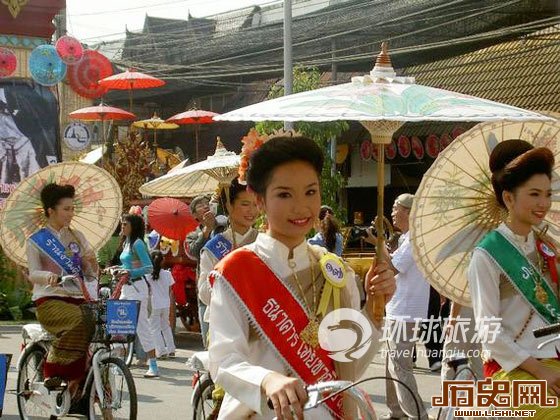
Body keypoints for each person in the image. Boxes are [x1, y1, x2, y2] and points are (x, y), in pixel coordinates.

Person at [208, 135, 396, 419]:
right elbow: (223, 359)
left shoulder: (334, 270)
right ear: (259, 200)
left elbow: (348, 367)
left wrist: (374, 310)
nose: (301, 206)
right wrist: (267, 380)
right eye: (284, 194)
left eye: (310, 192)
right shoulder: (237, 271)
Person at [468, 139, 560, 417]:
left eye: (547, 194)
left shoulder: (549, 247)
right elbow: (488, 331)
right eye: (534, 194)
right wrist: (540, 371)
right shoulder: (487, 255)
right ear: (508, 197)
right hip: (513, 369)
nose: (543, 203)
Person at [26, 183, 97, 394]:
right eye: (66, 209)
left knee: (97, 322)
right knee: (80, 319)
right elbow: (33, 273)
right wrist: (49, 277)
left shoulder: (77, 237)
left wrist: (92, 263)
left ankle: (90, 386)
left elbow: (91, 274)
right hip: (49, 299)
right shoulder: (36, 240)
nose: (71, 213)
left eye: (73, 209)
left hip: (77, 296)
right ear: (51, 210)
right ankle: (54, 370)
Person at [378, 193, 430, 420]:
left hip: (406, 310)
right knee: (391, 362)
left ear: (408, 212)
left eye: (395, 208)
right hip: (398, 307)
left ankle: (417, 414)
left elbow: (394, 268)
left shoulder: (414, 239)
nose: (391, 213)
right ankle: (396, 411)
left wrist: (378, 244)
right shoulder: (406, 237)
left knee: (400, 366)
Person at [198, 177, 259, 333]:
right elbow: (204, 293)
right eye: (245, 204)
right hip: (224, 324)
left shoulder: (264, 242)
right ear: (228, 206)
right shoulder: (214, 248)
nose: (252, 211)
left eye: (256, 204)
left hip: (259, 324)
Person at [118, 213, 159, 378]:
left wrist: (130, 272)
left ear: (133, 226)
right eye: (121, 224)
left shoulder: (138, 243)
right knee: (119, 323)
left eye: (125, 224)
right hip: (125, 288)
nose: (122, 227)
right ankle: (119, 361)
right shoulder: (126, 242)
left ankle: (153, 365)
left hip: (137, 287)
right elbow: (126, 263)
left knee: (142, 326)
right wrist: (117, 268)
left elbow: (149, 267)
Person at [186, 194, 226, 346]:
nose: (205, 206)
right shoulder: (193, 235)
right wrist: (207, 230)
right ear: (195, 215)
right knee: (208, 337)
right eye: (200, 205)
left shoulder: (223, 226)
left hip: (225, 282)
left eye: (207, 203)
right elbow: (195, 252)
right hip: (206, 286)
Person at [147, 250, 176, 358]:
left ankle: (162, 351)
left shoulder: (148, 275)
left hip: (154, 303)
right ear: (162, 260)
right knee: (166, 326)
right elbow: (169, 290)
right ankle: (171, 350)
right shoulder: (168, 274)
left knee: (154, 329)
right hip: (165, 303)